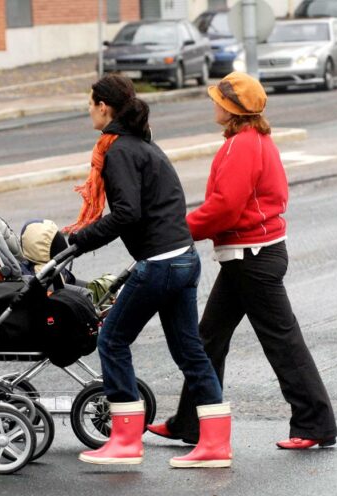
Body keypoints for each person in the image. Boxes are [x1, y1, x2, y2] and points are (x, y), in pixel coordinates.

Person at [147, 72, 337, 450]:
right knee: (209, 340)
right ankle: (192, 423)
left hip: (252, 258)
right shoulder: (258, 141)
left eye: (218, 99)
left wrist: (179, 229)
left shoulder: (242, 146)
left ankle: (315, 424)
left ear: (232, 108)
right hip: (251, 256)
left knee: (282, 342)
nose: (214, 103)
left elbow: (225, 207)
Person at [64, 73, 232, 468]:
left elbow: (126, 214)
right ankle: (215, 444)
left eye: (90, 103)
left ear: (104, 107)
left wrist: (75, 242)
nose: (88, 110)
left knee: (111, 341)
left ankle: (124, 440)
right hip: (183, 259)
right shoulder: (145, 146)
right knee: (190, 351)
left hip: (159, 264)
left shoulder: (120, 151)